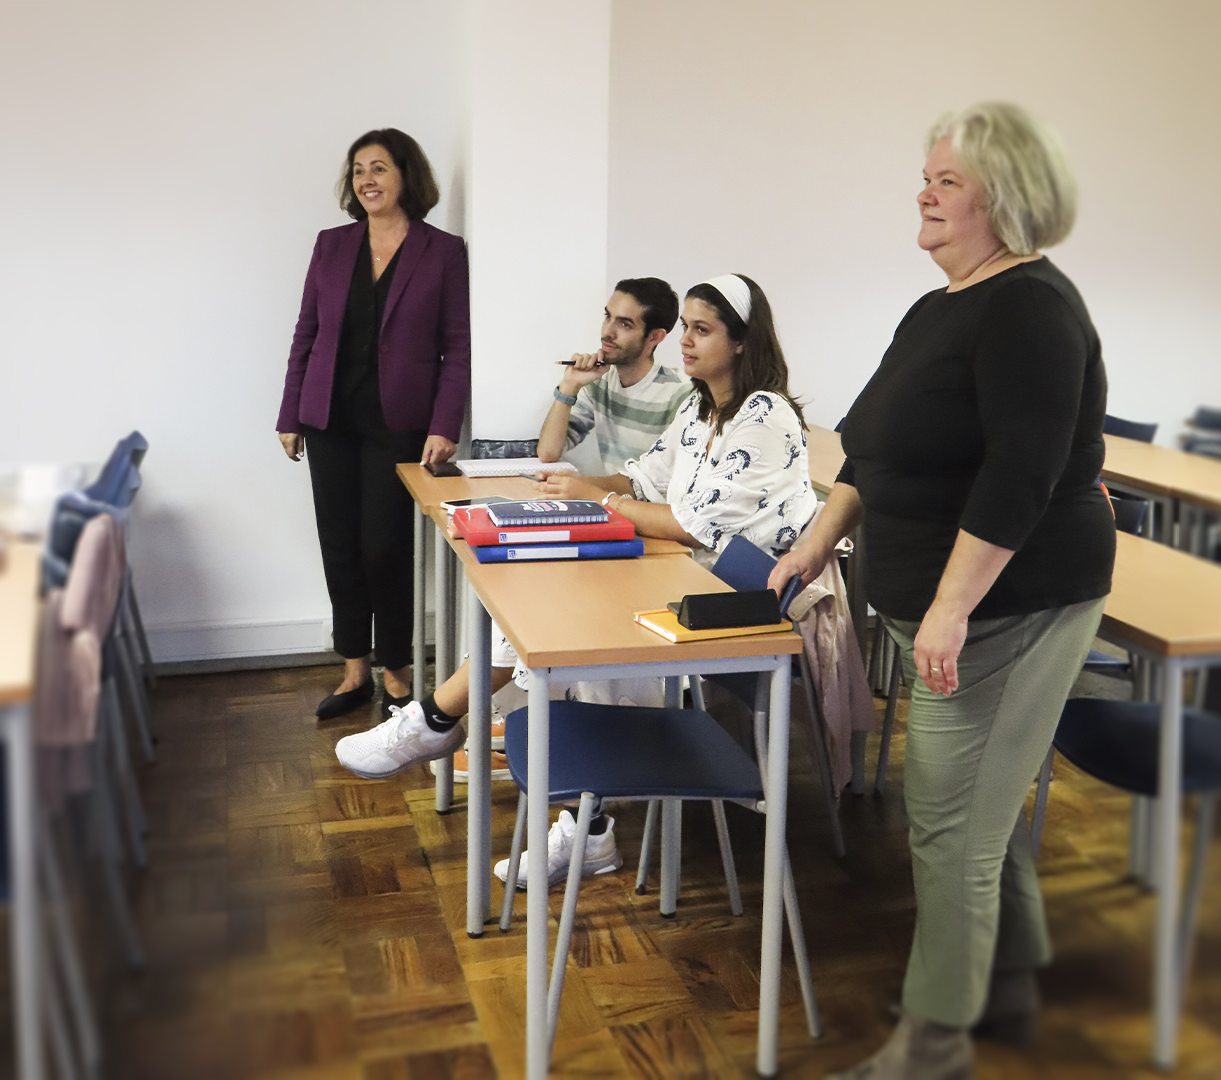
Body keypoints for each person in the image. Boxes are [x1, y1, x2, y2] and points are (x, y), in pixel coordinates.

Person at [771, 104, 1114, 1080]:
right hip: (951, 604)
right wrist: (814, 542)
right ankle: (1002, 982)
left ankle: (934, 1045)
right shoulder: (940, 308)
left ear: (1005, 199)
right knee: (979, 806)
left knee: (949, 816)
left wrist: (954, 607)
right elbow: (869, 447)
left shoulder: (1032, 308)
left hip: (1013, 604)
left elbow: (1022, 474)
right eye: (926, 176)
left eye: (946, 180)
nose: (923, 192)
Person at [336, 273, 818, 887]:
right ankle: (463, 742)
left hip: (729, 610)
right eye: (688, 330)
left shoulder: (763, 414)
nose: (688, 344)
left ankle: (438, 726)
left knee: (573, 627)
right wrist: (574, 493)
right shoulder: (703, 409)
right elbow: (644, 481)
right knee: (545, 605)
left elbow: (694, 527)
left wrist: (597, 498)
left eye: (703, 330)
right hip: (678, 579)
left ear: (744, 342)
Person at [276, 128, 470, 724]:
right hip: (329, 416)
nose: (367, 180)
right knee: (338, 542)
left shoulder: (442, 251)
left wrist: (445, 422)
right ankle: (354, 669)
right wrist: (290, 414)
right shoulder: (331, 246)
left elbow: (456, 347)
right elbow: (306, 332)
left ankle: (398, 671)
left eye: (379, 168)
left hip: (400, 422)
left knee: (385, 547)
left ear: (406, 177)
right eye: (359, 169)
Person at [536, 278, 692, 477]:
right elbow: (547, 453)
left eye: (625, 324)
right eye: (607, 317)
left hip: (646, 506)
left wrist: (585, 487)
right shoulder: (599, 382)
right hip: (611, 501)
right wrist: (569, 385)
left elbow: (666, 485)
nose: (607, 332)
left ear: (655, 337)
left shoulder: (679, 395)